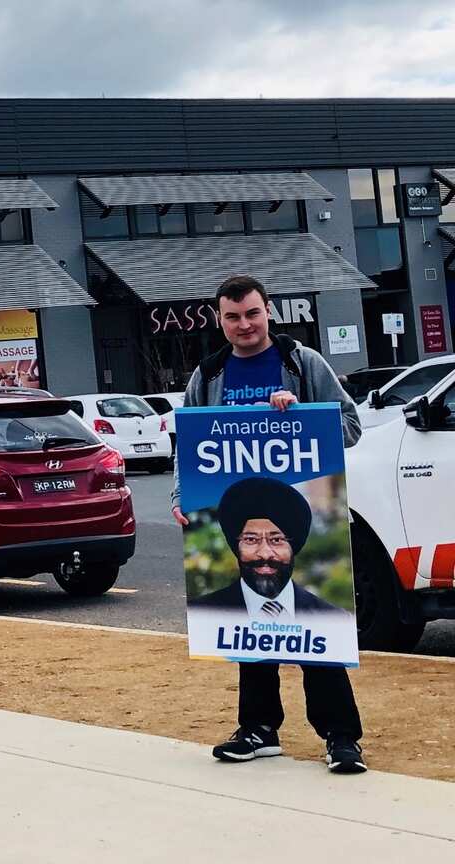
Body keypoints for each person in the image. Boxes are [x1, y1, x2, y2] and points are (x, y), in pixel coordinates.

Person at [172, 274, 365, 774]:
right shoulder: (208, 374)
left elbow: (350, 427)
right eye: (232, 316)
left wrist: (304, 413)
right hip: (237, 512)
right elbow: (190, 442)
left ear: (269, 312)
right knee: (248, 628)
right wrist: (181, 497)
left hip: (295, 509)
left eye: (252, 313)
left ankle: (341, 737)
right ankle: (258, 729)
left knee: (316, 629)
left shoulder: (302, 363)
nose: (244, 325)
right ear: (219, 319)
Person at [190, 478, 348, 618]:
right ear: (236, 546)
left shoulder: (333, 619)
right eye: (251, 539)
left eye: (277, 539)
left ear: (293, 547)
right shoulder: (200, 614)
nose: (265, 553)